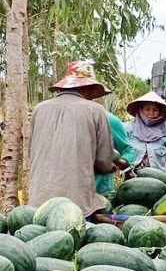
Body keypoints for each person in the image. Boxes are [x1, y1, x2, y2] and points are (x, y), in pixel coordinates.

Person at [28, 60, 114, 217]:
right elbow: (104, 161)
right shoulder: (96, 111)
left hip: (37, 203)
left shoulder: (38, 110)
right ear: (87, 88)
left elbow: (31, 154)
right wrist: (111, 167)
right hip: (75, 206)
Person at [124, 91, 166, 172]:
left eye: (155, 110)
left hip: (158, 180)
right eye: (147, 109)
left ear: (160, 112)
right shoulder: (129, 128)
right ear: (140, 110)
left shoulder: (165, 133)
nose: (151, 113)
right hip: (131, 178)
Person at [94, 112, 135, 196]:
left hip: (101, 191)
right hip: (67, 190)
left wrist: (122, 162)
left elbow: (128, 150)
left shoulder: (110, 120)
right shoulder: (64, 117)